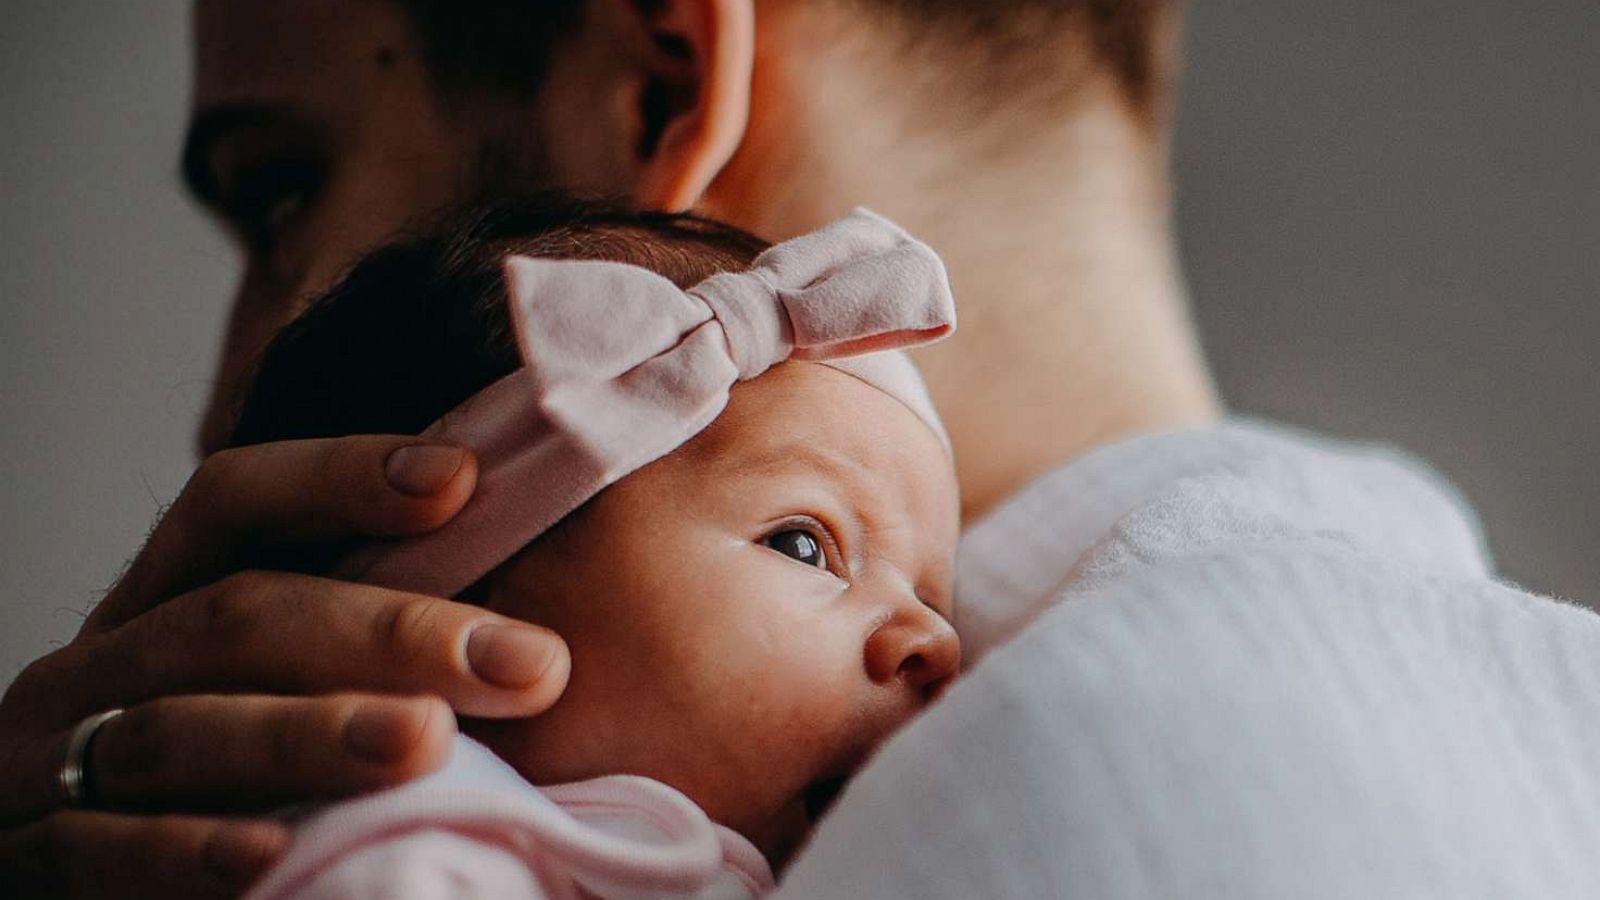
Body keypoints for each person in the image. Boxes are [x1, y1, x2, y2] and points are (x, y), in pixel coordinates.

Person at [6, 1, 1600, 897]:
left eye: (284, 186)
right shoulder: (1475, 685)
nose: (222, 398)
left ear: (666, 84)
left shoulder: (1147, 799)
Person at [231, 201, 961, 897]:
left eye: (932, 598)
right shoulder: (421, 850)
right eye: (803, 545)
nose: (937, 642)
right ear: (461, 615)